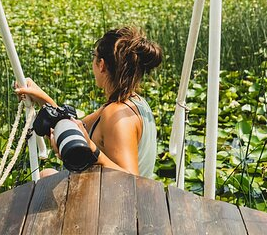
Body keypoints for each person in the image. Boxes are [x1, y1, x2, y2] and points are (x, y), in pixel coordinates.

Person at [15, 26, 162, 178]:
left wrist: (93, 151)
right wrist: (40, 96)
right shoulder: (133, 102)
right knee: (47, 174)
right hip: (116, 194)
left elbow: (131, 180)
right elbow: (73, 125)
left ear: (101, 64)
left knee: (46, 176)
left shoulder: (115, 115)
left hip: (121, 199)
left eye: (94, 55)